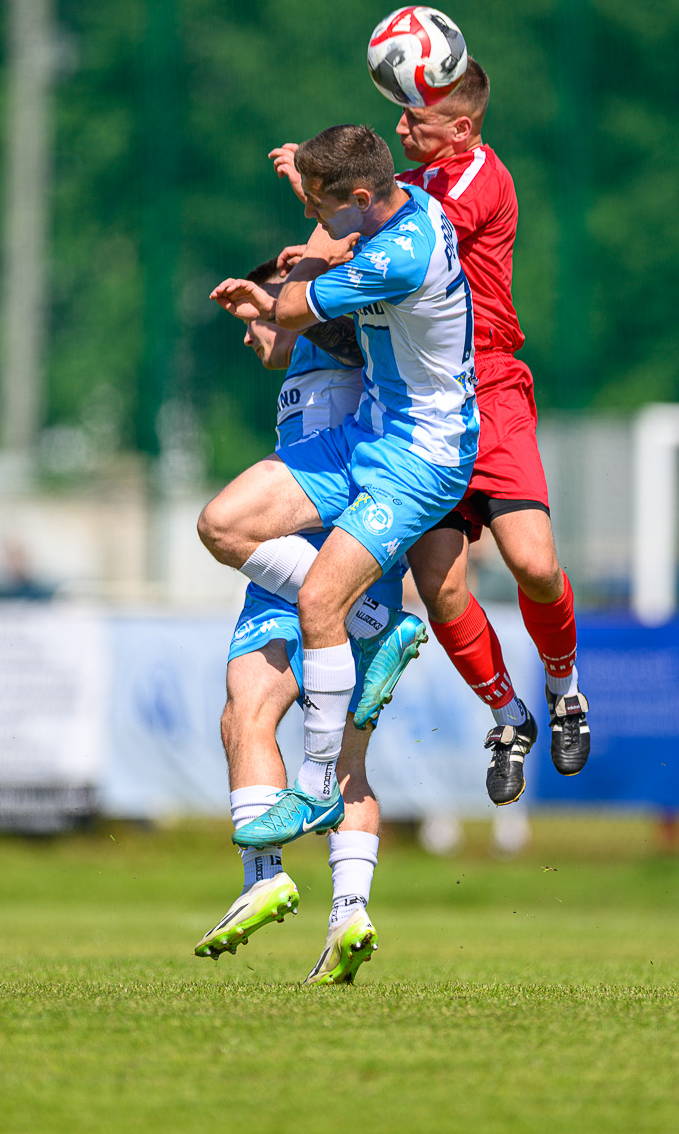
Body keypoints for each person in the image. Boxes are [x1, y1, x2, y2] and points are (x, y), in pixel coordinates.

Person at [270, 58, 591, 807]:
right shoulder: (410, 186)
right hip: (419, 406)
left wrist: (326, 230)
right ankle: (508, 717)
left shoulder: (472, 179)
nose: (401, 126)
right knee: (441, 588)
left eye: (416, 116)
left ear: (463, 126)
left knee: (533, 563)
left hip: (490, 385)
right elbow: (365, 214)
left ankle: (564, 688)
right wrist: (323, 202)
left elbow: (391, 231)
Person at [198, 124, 478, 858]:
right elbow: (348, 211)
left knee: (320, 602)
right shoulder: (397, 199)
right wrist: (311, 187)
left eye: (317, 204)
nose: (308, 218)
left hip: (420, 456)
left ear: (358, 198)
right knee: (223, 524)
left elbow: (293, 310)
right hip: (368, 433)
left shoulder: (402, 255)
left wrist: (299, 269)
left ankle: (318, 788)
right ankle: (375, 628)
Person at [196, 257, 398, 983]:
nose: (250, 334)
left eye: (257, 320)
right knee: (249, 717)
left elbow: (343, 271)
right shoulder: (298, 373)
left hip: (345, 545)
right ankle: (293, 891)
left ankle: (327, 900)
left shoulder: (348, 332)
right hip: (288, 557)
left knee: (330, 751)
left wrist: (293, 290)